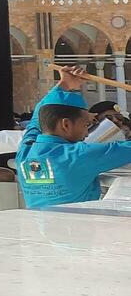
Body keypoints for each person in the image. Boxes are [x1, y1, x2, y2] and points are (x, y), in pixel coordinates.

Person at [15, 66, 131, 209]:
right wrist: (65, 84)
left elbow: (37, 118)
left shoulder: (25, 151)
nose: (87, 133)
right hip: (76, 229)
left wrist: (64, 84)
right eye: (85, 125)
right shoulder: (79, 155)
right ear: (66, 124)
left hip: (38, 228)